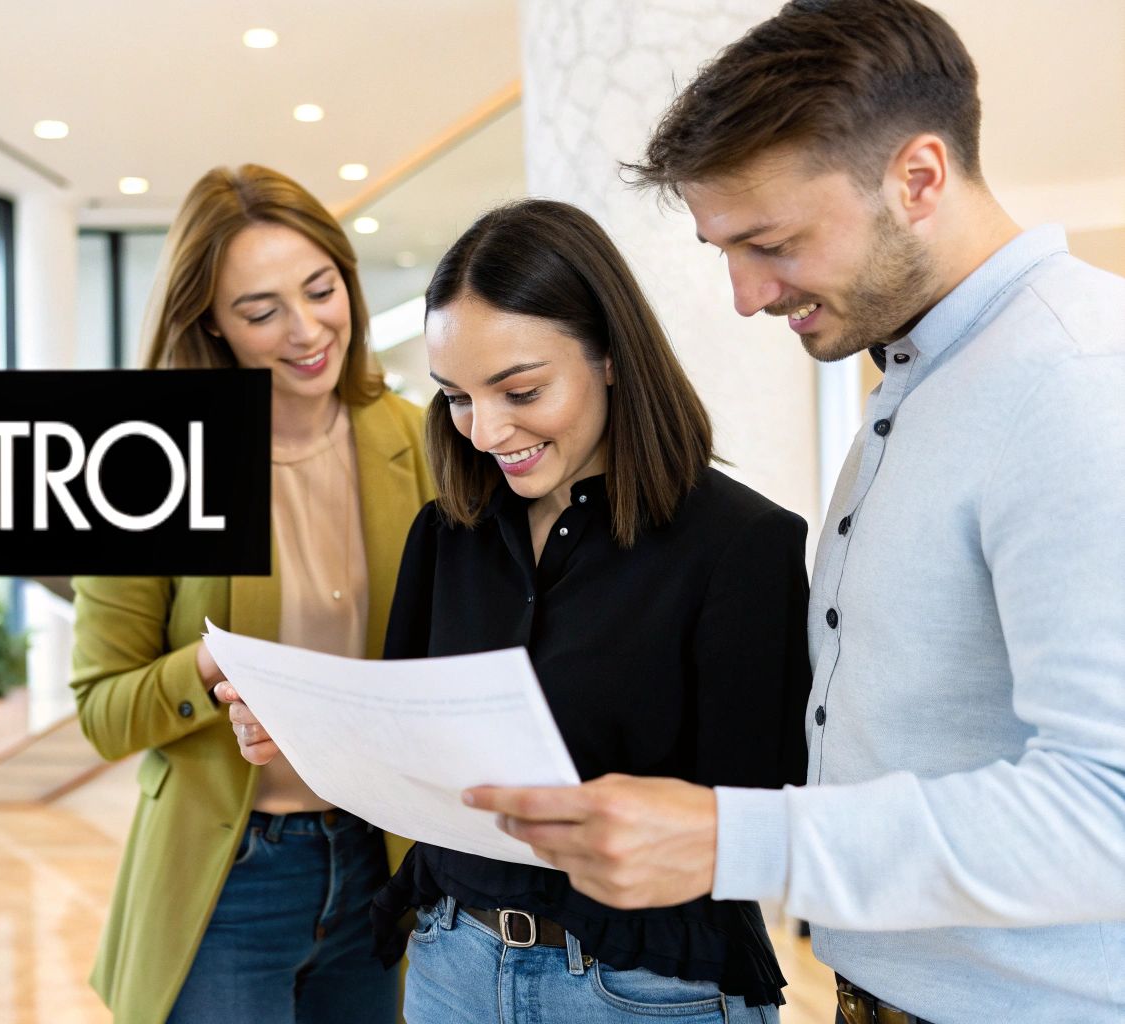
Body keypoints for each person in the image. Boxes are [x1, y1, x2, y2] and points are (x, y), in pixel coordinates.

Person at [461, 3, 1125, 1022]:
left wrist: (734, 838)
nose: (742, 295)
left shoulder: (1076, 385)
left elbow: (1107, 810)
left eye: (769, 242)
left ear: (916, 179)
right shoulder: (921, 382)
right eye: (723, 248)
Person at [224, 198, 812, 1022]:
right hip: (451, 962)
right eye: (457, 397)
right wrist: (311, 734)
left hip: (638, 990)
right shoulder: (448, 533)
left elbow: (758, 819)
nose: (487, 430)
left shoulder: (741, 545)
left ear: (609, 355)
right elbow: (407, 748)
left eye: (520, 390)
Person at [70, 163, 435, 1024]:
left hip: (375, 857)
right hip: (230, 875)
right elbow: (101, 710)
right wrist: (210, 664)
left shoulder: (416, 439)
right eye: (261, 310)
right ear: (211, 324)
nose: (307, 330)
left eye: (321, 290)